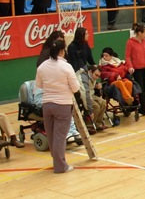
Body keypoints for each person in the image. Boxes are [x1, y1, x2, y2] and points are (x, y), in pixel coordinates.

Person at [35, 40, 79, 173]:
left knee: (52, 135)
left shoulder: (42, 66)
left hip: (47, 105)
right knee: (60, 136)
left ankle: (57, 160)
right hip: (63, 105)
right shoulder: (66, 67)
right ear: (62, 51)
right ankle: (60, 166)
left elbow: (39, 85)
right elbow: (76, 88)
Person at [126, 23, 145, 116]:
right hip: (137, 69)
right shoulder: (130, 42)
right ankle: (140, 108)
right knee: (140, 89)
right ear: (139, 33)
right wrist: (130, 66)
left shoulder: (144, 41)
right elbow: (127, 57)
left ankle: (144, 108)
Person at [75, 65, 108, 134]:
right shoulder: (83, 77)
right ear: (90, 72)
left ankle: (97, 124)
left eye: (98, 76)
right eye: (96, 75)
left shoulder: (91, 77)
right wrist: (90, 110)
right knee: (95, 106)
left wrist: (97, 88)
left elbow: (91, 90)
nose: (97, 78)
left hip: (90, 95)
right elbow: (85, 94)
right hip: (80, 96)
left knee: (103, 102)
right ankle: (89, 125)